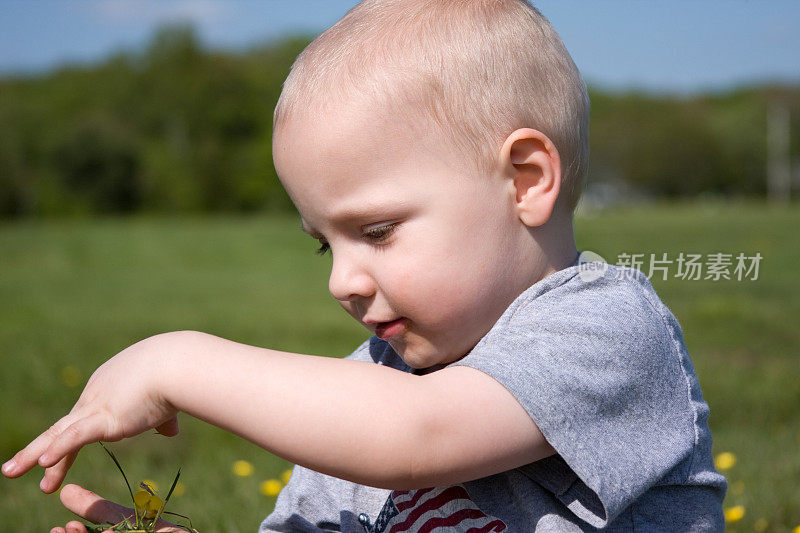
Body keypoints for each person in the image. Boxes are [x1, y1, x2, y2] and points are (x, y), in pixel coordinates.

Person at [2, 0, 727, 531]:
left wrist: (176, 359)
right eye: (325, 243)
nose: (340, 281)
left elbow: (416, 436)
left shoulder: (606, 326)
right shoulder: (370, 383)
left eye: (376, 230)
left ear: (526, 180)